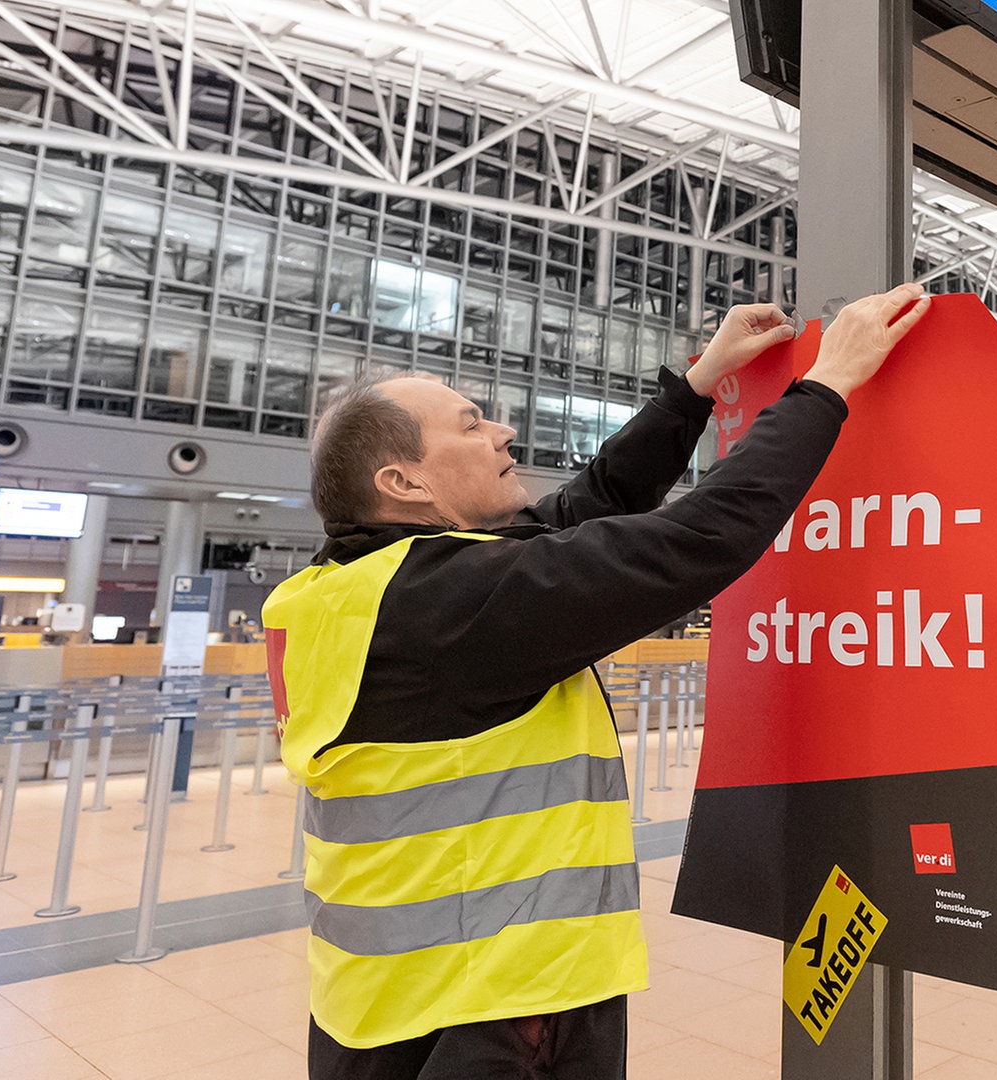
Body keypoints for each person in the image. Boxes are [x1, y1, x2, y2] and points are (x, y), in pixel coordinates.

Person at [263, 284, 932, 1079]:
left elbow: (590, 506)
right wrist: (827, 386)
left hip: (376, 1006)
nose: (502, 430)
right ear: (403, 483)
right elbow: (697, 540)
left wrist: (694, 389)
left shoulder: (345, 593)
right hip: (491, 1013)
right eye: (471, 424)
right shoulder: (452, 604)